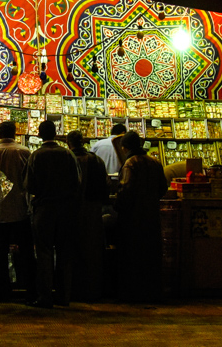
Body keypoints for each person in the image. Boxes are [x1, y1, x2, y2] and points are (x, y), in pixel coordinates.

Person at [23, 120, 80, 308]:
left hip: (44, 209)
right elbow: (77, 182)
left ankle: (45, 296)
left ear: (40, 135)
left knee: (44, 253)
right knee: (65, 253)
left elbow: (29, 186)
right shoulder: (67, 154)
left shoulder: (36, 156)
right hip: (66, 210)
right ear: (56, 134)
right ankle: (64, 296)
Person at [114, 130, 169, 303]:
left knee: (132, 256)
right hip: (152, 217)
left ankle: (133, 293)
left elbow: (126, 191)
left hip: (133, 219)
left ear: (125, 148)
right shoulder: (155, 162)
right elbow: (163, 189)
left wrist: (117, 206)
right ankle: (151, 291)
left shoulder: (130, 164)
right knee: (151, 256)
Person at [0, 120, 35, 301]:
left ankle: (2, 290)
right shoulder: (24, 152)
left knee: (0, 251)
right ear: (15, 133)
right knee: (26, 251)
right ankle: (28, 288)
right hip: (21, 208)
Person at [66, 130, 109, 301]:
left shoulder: (67, 159)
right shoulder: (96, 160)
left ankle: (74, 289)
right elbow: (105, 185)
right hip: (93, 210)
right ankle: (92, 289)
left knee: (72, 249)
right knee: (92, 250)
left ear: (69, 143)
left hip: (71, 211)